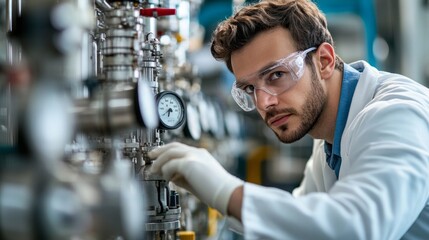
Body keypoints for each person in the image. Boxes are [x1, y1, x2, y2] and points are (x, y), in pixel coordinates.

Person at [149, 0, 429, 238]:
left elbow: (356, 226)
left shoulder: (397, 114)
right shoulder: (329, 142)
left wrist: (225, 190)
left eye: (276, 75)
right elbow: (302, 225)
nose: (263, 103)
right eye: (249, 89)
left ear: (324, 61)